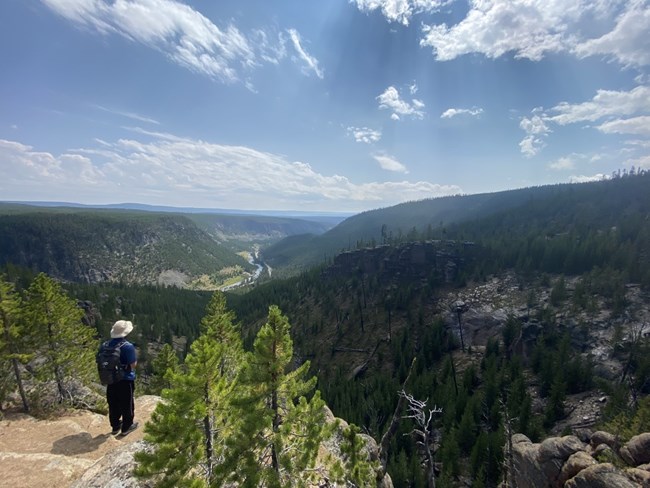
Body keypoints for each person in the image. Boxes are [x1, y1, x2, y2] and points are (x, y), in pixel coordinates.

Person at [105, 320, 138, 436]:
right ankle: (127, 427)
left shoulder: (106, 345)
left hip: (110, 378)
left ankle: (115, 425)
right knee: (126, 403)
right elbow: (133, 365)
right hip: (125, 379)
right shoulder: (128, 346)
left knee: (113, 402)